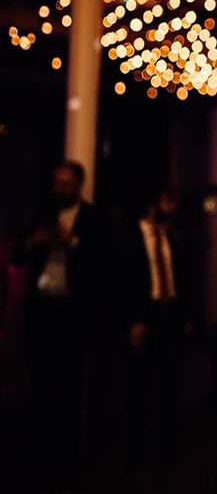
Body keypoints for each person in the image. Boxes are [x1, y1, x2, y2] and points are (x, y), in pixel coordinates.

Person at [12, 160, 107, 477]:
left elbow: (104, 262)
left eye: (67, 184)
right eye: (57, 183)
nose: (61, 189)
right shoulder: (40, 214)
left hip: (73, 314)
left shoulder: (92, 218)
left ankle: (68, 455)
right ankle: (41, 450)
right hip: (41, 310)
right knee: (41, 383)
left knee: (71, 384)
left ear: (78, 185)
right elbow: (16, 256)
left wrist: (74, 243)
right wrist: (30, 243)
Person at [119, 187, 190, 465]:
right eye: (167, 201)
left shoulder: (172, 235)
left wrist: (183, 315)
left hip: (168, 313)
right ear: (152, 206)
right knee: (138, 384)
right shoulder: (130, 237)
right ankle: (137, 448)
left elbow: (182, 275)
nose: (172, 208)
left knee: (170, 383)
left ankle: (166, 447)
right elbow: (122, 281)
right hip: (144, 313)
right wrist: (132, 320)